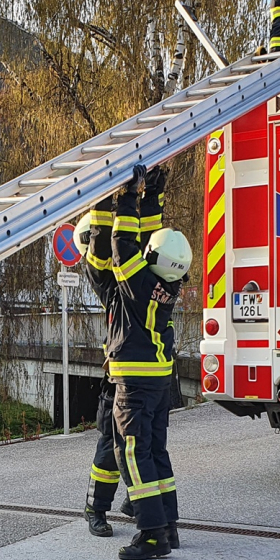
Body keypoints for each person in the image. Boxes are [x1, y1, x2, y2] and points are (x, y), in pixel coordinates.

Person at [86, 166, 192, 560]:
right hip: (158, 381)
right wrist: (152, 198)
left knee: (133, 455)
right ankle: (168, 524)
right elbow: (148, 242)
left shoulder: (137, 284)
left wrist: (128, 197)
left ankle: (151, 536)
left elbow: (122, 243)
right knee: (156, 452)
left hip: (133, 383)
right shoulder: (167, 280)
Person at [76, 172, 168, 538]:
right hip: (118, 375)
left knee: (138, 441)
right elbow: (110, 241)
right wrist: (115, 194)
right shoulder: (103, 273)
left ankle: (135, 497)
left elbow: (145, 237)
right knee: (110, 445)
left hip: (136, 371)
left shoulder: (137, 275)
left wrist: (152, 195)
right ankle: (95, 508)